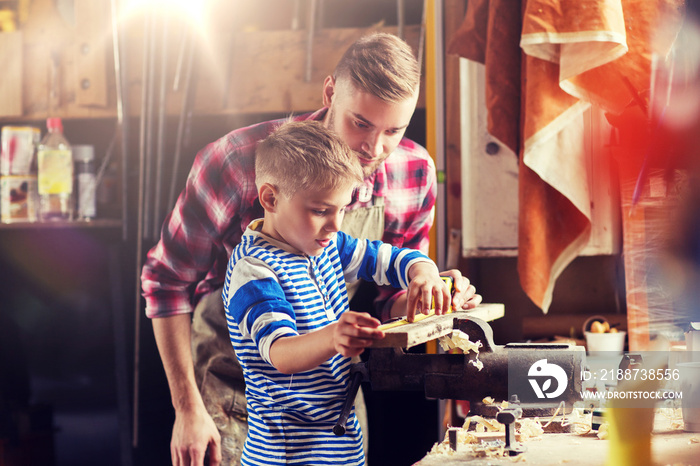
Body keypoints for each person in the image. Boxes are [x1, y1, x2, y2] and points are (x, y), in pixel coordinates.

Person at [141, 32, 482, 466]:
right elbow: (166, 282)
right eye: (360, 123)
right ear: (330, 92)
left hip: (333, 401)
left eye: (393, 130)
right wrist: (187, 409)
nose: (373, 149)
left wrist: (431, 293)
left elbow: (389, 299)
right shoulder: (237, 161)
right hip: (237, 398)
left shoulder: (413, 172)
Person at [224, 120, 451, 465]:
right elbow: (281, 353)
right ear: (270, 198)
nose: (335, 225)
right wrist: (334, 337)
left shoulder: (326, 244)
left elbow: (388, 259)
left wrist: (424, 272)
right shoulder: (254, 270)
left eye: (342, 209)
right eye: (320, 211)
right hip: (290, 453)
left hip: (338, 441)